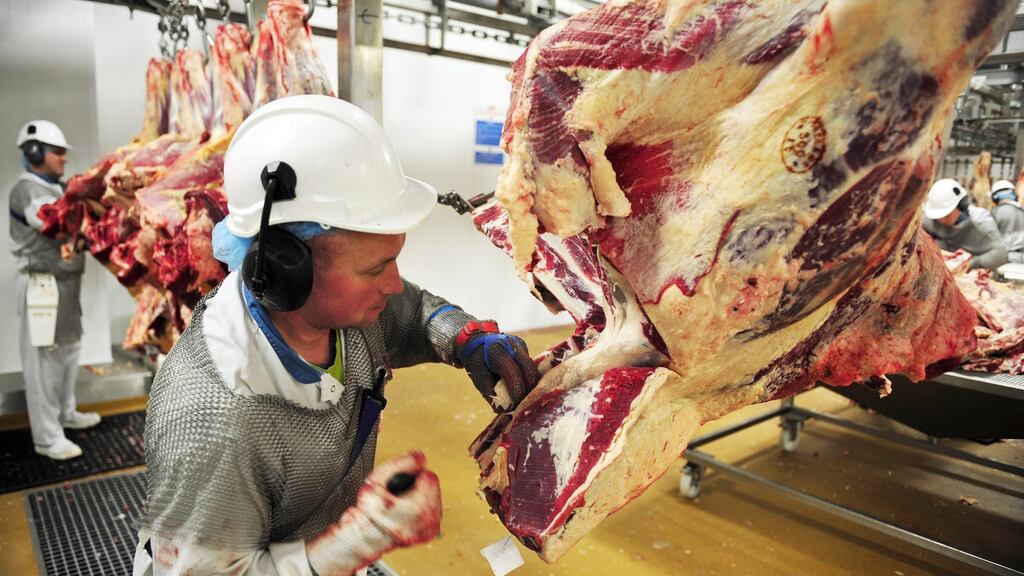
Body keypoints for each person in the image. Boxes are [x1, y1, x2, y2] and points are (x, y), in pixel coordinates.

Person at [133, 95, 541, 575]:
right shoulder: (212, 414)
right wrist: (356, 542)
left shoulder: (344, 312)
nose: (394, 284)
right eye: (375, 269)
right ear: (286, 272)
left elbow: (414, 312)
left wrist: (468, 340)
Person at [9, 120, 100, 461]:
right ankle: (47, 438)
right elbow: (52, 223)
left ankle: (65, 412)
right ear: (34, 153)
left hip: (66, 284)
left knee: (70, 349)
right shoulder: (28, 189)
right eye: (57, 152)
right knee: (44, 360)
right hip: (41, 285)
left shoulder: (58, 187)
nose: (64, 158)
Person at [922, 178, 1008, 270]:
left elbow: (1001, 254)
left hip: (969, 276)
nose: (941, 219)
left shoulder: (981, 222)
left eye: (946, 215)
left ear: (961, 205)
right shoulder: (929, 220)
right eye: (937, 215)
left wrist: (971, 263)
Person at [990, 179, 1024, 263]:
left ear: (995, 197)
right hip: (1021, 258)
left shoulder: (997, 211)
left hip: (1004, 257)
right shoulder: (1022, 211)